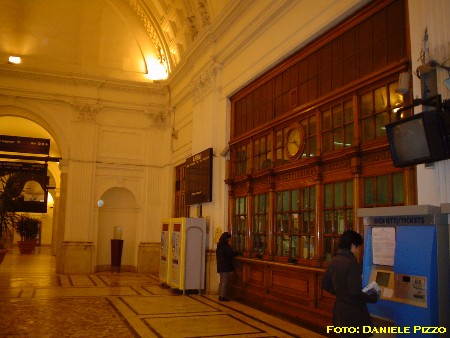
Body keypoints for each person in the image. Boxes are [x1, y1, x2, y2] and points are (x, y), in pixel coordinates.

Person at [322, 230, 379, 337]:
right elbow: (354, 292)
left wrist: (341, 293)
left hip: (339, 312)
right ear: (353, 245)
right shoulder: (352, 264)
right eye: (358, 247)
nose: (358, 251)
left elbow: (325, 284)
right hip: (354, 315)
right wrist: (373, 297)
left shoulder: (334, 261)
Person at [216, 232, 239, 301]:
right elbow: (230, 253)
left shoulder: (219, 245)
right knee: (225, 281)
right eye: (229, 238)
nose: (229, 240)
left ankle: (220, 295)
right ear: (227, 238)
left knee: (222, 281)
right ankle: (222, 297)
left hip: (220, 265)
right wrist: (237, 253)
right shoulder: (225, 245)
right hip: (225, 265)